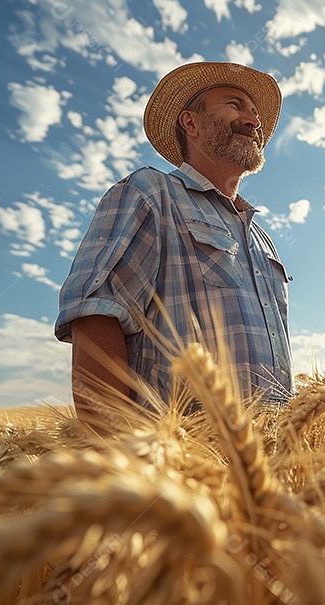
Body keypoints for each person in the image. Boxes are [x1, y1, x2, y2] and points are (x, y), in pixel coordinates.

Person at [55, 62, 292, 431]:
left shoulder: (262, 240)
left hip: (270, 461)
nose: (253, 121)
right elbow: (97, 312)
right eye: (235, 105)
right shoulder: (151, 193)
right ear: (191, 123)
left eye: (256, 113)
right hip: (177, 463)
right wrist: (113, 458)